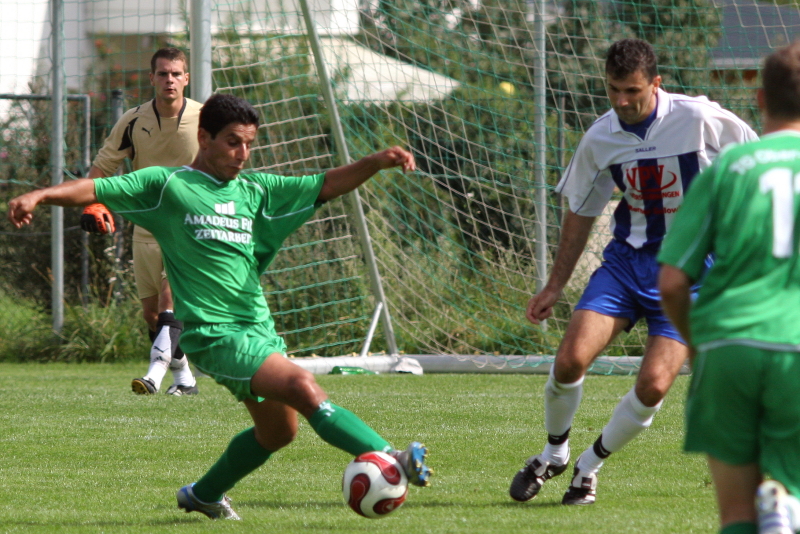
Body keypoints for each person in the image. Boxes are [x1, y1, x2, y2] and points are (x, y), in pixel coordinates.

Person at [8, 93, 431, 520]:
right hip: (214, 334)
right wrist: (40, 196)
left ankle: (203, 495)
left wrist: (374, 162)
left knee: (278, 432)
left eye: (249, 144)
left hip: (258, 328)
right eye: (232, 142)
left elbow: (324, 184)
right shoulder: (168, 186)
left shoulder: (256, 190)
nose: (242, 154)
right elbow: (95, 188)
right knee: (303, 386)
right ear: (204, 138)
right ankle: (389, 454)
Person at [509, 38, 758, 506]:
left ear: (656, 84)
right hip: (626, 265)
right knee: (569, 360)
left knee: (654, 385)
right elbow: (581, 211)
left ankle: (588, 468)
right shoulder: (600, 137)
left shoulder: (701, 118)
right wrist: (555, 285)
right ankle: (553, 453)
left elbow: (758, 164)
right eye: (613, 90)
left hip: (692, 275)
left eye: (632, 91)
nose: (621, 101)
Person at [659, 41, 800, 534]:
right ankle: (789, 506)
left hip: (727, 344)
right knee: (791, 483)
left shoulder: (727, 168)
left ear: (760, 99)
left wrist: (698, 345)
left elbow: (672, 282)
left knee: (737, 516)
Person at [83, 47, 202, 396]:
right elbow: (103, 165)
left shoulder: (205, 118)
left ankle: (153, 375)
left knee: (169, 303)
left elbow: (228, 161)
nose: (169, 80)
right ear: (152, 78)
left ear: (186, 78)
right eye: (163, 73)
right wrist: (93, 203)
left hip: (188, 226)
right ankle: (186, 381)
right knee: (151, 315)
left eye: (176, 74)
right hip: (146, 226)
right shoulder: (133, 120)